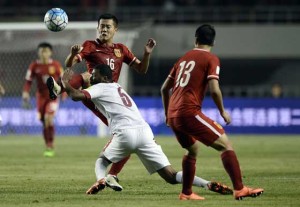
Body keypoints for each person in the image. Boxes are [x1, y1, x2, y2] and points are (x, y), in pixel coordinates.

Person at [61, 64, 233, 196]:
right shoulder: (118, 88)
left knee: (102, 161)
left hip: (125, 132)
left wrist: (64, 82)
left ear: (105, 77)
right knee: (170, 176)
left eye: (94, 74)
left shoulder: (100, 87)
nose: (91, 76)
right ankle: (207, 184)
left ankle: (101, 179)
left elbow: (76, 96)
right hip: (144, 132)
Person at [46, 13, 155, 186]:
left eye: (108, 26)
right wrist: (73, 54)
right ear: (97, 28)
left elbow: (141, 69)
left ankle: (112, 175)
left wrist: (147, 54)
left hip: (111, 101)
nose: (104, 29)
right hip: (93, 93)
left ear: (115, 30)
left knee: (126, 138)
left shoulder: (122, 49)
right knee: (88, 75)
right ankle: (59, 88)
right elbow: (70, 64)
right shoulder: (90, 45)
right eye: (101, 26)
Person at [161, 24, 264, 200]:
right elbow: (214, 89)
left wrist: (167, 115)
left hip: (174, 114)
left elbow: (164, 89)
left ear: (195, 39)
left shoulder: (183, 59)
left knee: (192, 149)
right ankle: (239, 189)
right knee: (225, 145)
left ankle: (186, 193)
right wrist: (223, 111)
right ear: (214, 42)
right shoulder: (211, 59)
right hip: (189, 112)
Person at [22, 42, 66, 157]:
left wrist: (64, 93)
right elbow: (28, 81)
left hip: (53, 96)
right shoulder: (34, 66)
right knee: (43, 121)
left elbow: (63, 81)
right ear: (38, 52)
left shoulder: (56, 65)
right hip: (40, 97)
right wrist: (26, 92)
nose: (44, 53)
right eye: (42, 51)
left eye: (46, 51)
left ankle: (50, 145)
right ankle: (47, 144)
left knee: (48, 118)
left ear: (50, 52)